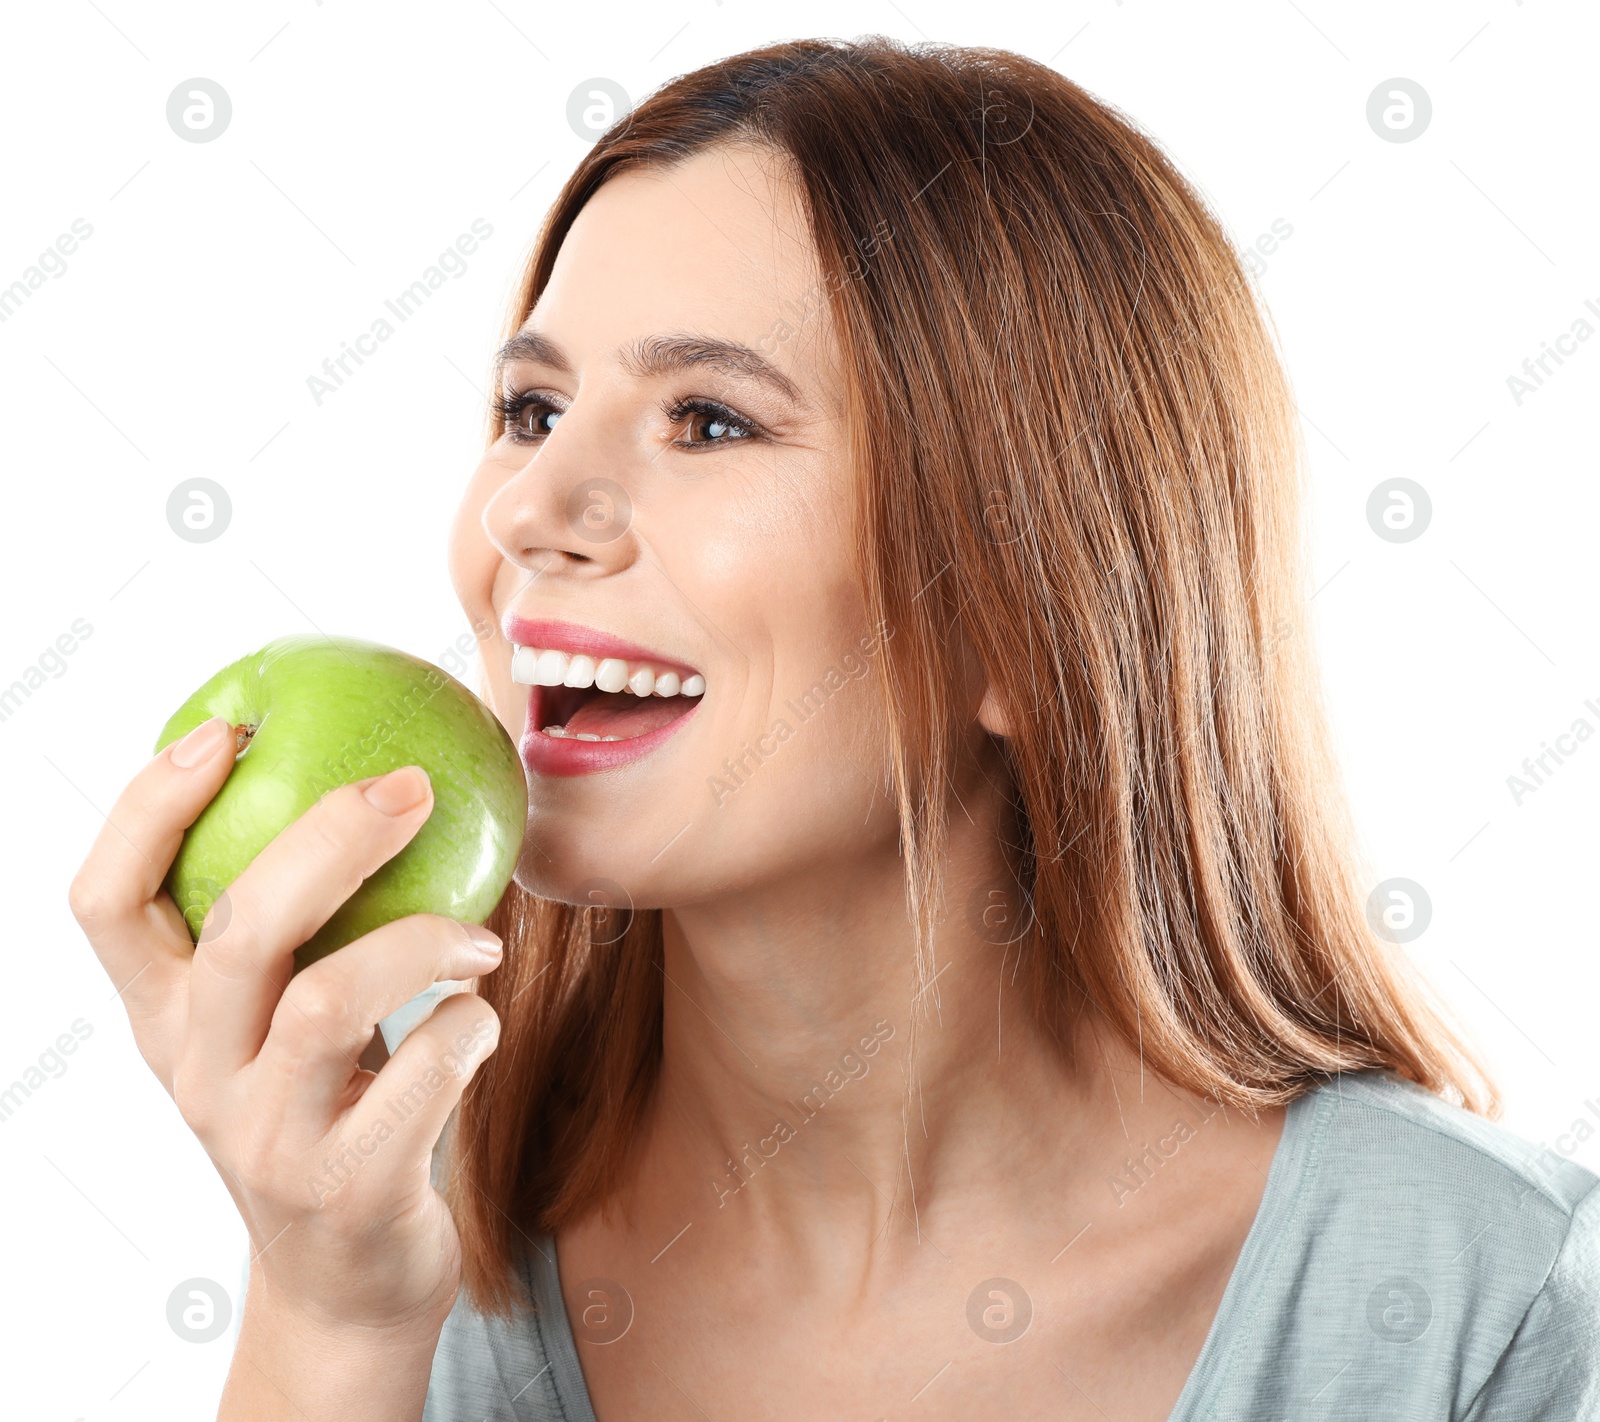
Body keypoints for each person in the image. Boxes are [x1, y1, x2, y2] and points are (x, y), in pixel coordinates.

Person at [70, 36, 1599, 1422]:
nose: (527, 512)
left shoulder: (1486, 1312)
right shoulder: (386, 1229)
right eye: (531, 410)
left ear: (1025, 609)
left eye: (710, 421)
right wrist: (330, 1323)